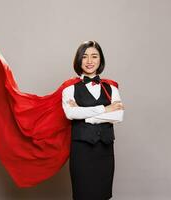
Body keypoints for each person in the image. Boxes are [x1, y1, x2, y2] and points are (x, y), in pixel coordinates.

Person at [62, 40, 125, 200]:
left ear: (100, 60)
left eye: (94, 56)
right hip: (81, 152)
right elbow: (71, 114)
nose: (89, 61)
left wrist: (86, 116)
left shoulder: (112, 88)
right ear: (78, 60)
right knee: (83, 195)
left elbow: (118, 116)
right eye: (85, 57)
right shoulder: (69, 89)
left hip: (105, 151)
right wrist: (105, 109)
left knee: (103, 195)